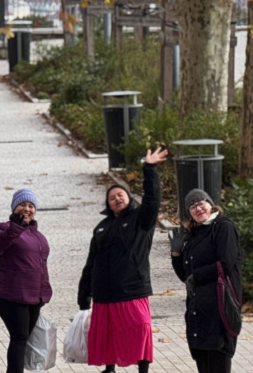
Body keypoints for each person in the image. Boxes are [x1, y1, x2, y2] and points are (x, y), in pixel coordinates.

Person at [78, 147, 168, 373]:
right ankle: (109, 369)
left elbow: (152, 199)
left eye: (120, 195)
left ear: (129, 198)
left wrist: (150, 169)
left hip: (132, 290)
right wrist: (84, 294)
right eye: (112, 197)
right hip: (104, 294)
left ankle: (143, 370)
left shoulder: (141, 220)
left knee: (140, 329)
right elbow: (91, 263)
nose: (116, 198)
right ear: (108, 204)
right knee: (108, 335)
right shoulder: (101, 227)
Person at [170, 189, 243, 373]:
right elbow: (185, 276)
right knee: (203, 361)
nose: (198, 208)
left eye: (201, 203)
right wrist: (176, 255)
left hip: (219, 305)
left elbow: (225, 263)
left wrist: (197, 277)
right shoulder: (194, 234)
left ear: (211, 204)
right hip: (198, 308)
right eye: (193, 206)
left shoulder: (223, 227)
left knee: (219, 358)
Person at [0, 189, 52, 373]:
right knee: (19, 338)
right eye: (22, 204)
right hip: (11, 297)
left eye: (31, 206)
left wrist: (45, 291)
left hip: (34, 298)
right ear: (15, 207)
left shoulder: (37, 235)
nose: (27, 209)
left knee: (22, 339)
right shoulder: (4, 228)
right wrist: (14, 229)